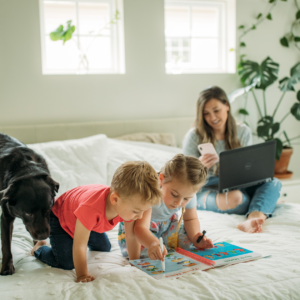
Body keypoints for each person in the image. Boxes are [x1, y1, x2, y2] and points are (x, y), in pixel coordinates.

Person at [31, 161, 162, 283]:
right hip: (60, 218)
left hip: (87, 221)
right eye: (136, 211)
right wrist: (82, 274)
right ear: (115, 199)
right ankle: (39, 248)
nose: (140, 217)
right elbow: (80, 245)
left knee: (105, 248)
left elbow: (131, 236)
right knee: (67, 263)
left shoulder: (127, 206)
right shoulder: (91, 209)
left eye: (143, 211)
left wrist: (135, 262)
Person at [182, 86, 282, 234]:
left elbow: (248, 168)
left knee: (274, 182)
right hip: (207, 187)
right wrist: (199, 166)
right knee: (237, 199)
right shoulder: (194, 136)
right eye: (206, 113)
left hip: (238, 184)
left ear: (227, 106)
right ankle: (261, 204)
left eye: (216, 110)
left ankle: (252, 218)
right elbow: (183, 178)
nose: (212, 118)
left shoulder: (242, 131)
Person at [118, 154, 213, 260]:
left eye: (186, 199)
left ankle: (163, 246)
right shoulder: (150, 193)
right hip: (142, 230)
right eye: (174, 195)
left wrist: (196, 237)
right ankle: (157, 247)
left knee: (187, 240)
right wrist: (153, 244)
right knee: (150, 253)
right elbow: (140, 228)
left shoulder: (189, 193)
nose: (179, 202)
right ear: (161, 179)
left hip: (167, 226)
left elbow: (190, 219)